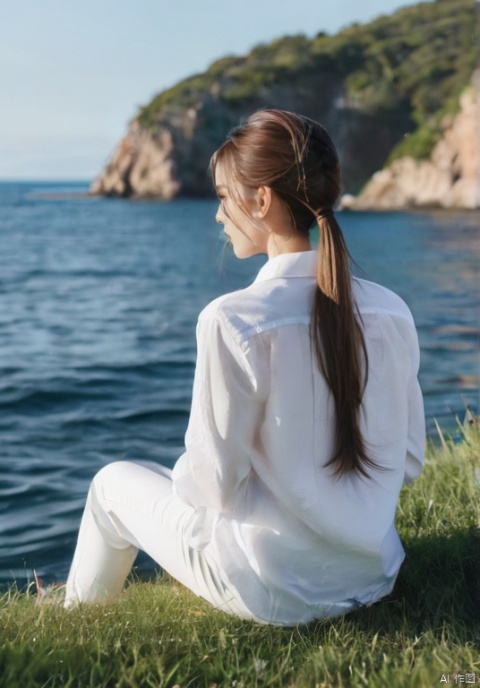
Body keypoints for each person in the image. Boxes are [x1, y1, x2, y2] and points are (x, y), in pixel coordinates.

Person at [64, 109, 425, 625]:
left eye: (221, 195)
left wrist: (194, 474)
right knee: (146, 478)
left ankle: (74, 621)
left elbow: (215, 488)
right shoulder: (392, 310)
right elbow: (409, 461)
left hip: (274, 592)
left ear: (261, 199)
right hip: (373, 577)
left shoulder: (232, 321)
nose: (217, 214)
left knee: (111, 484)